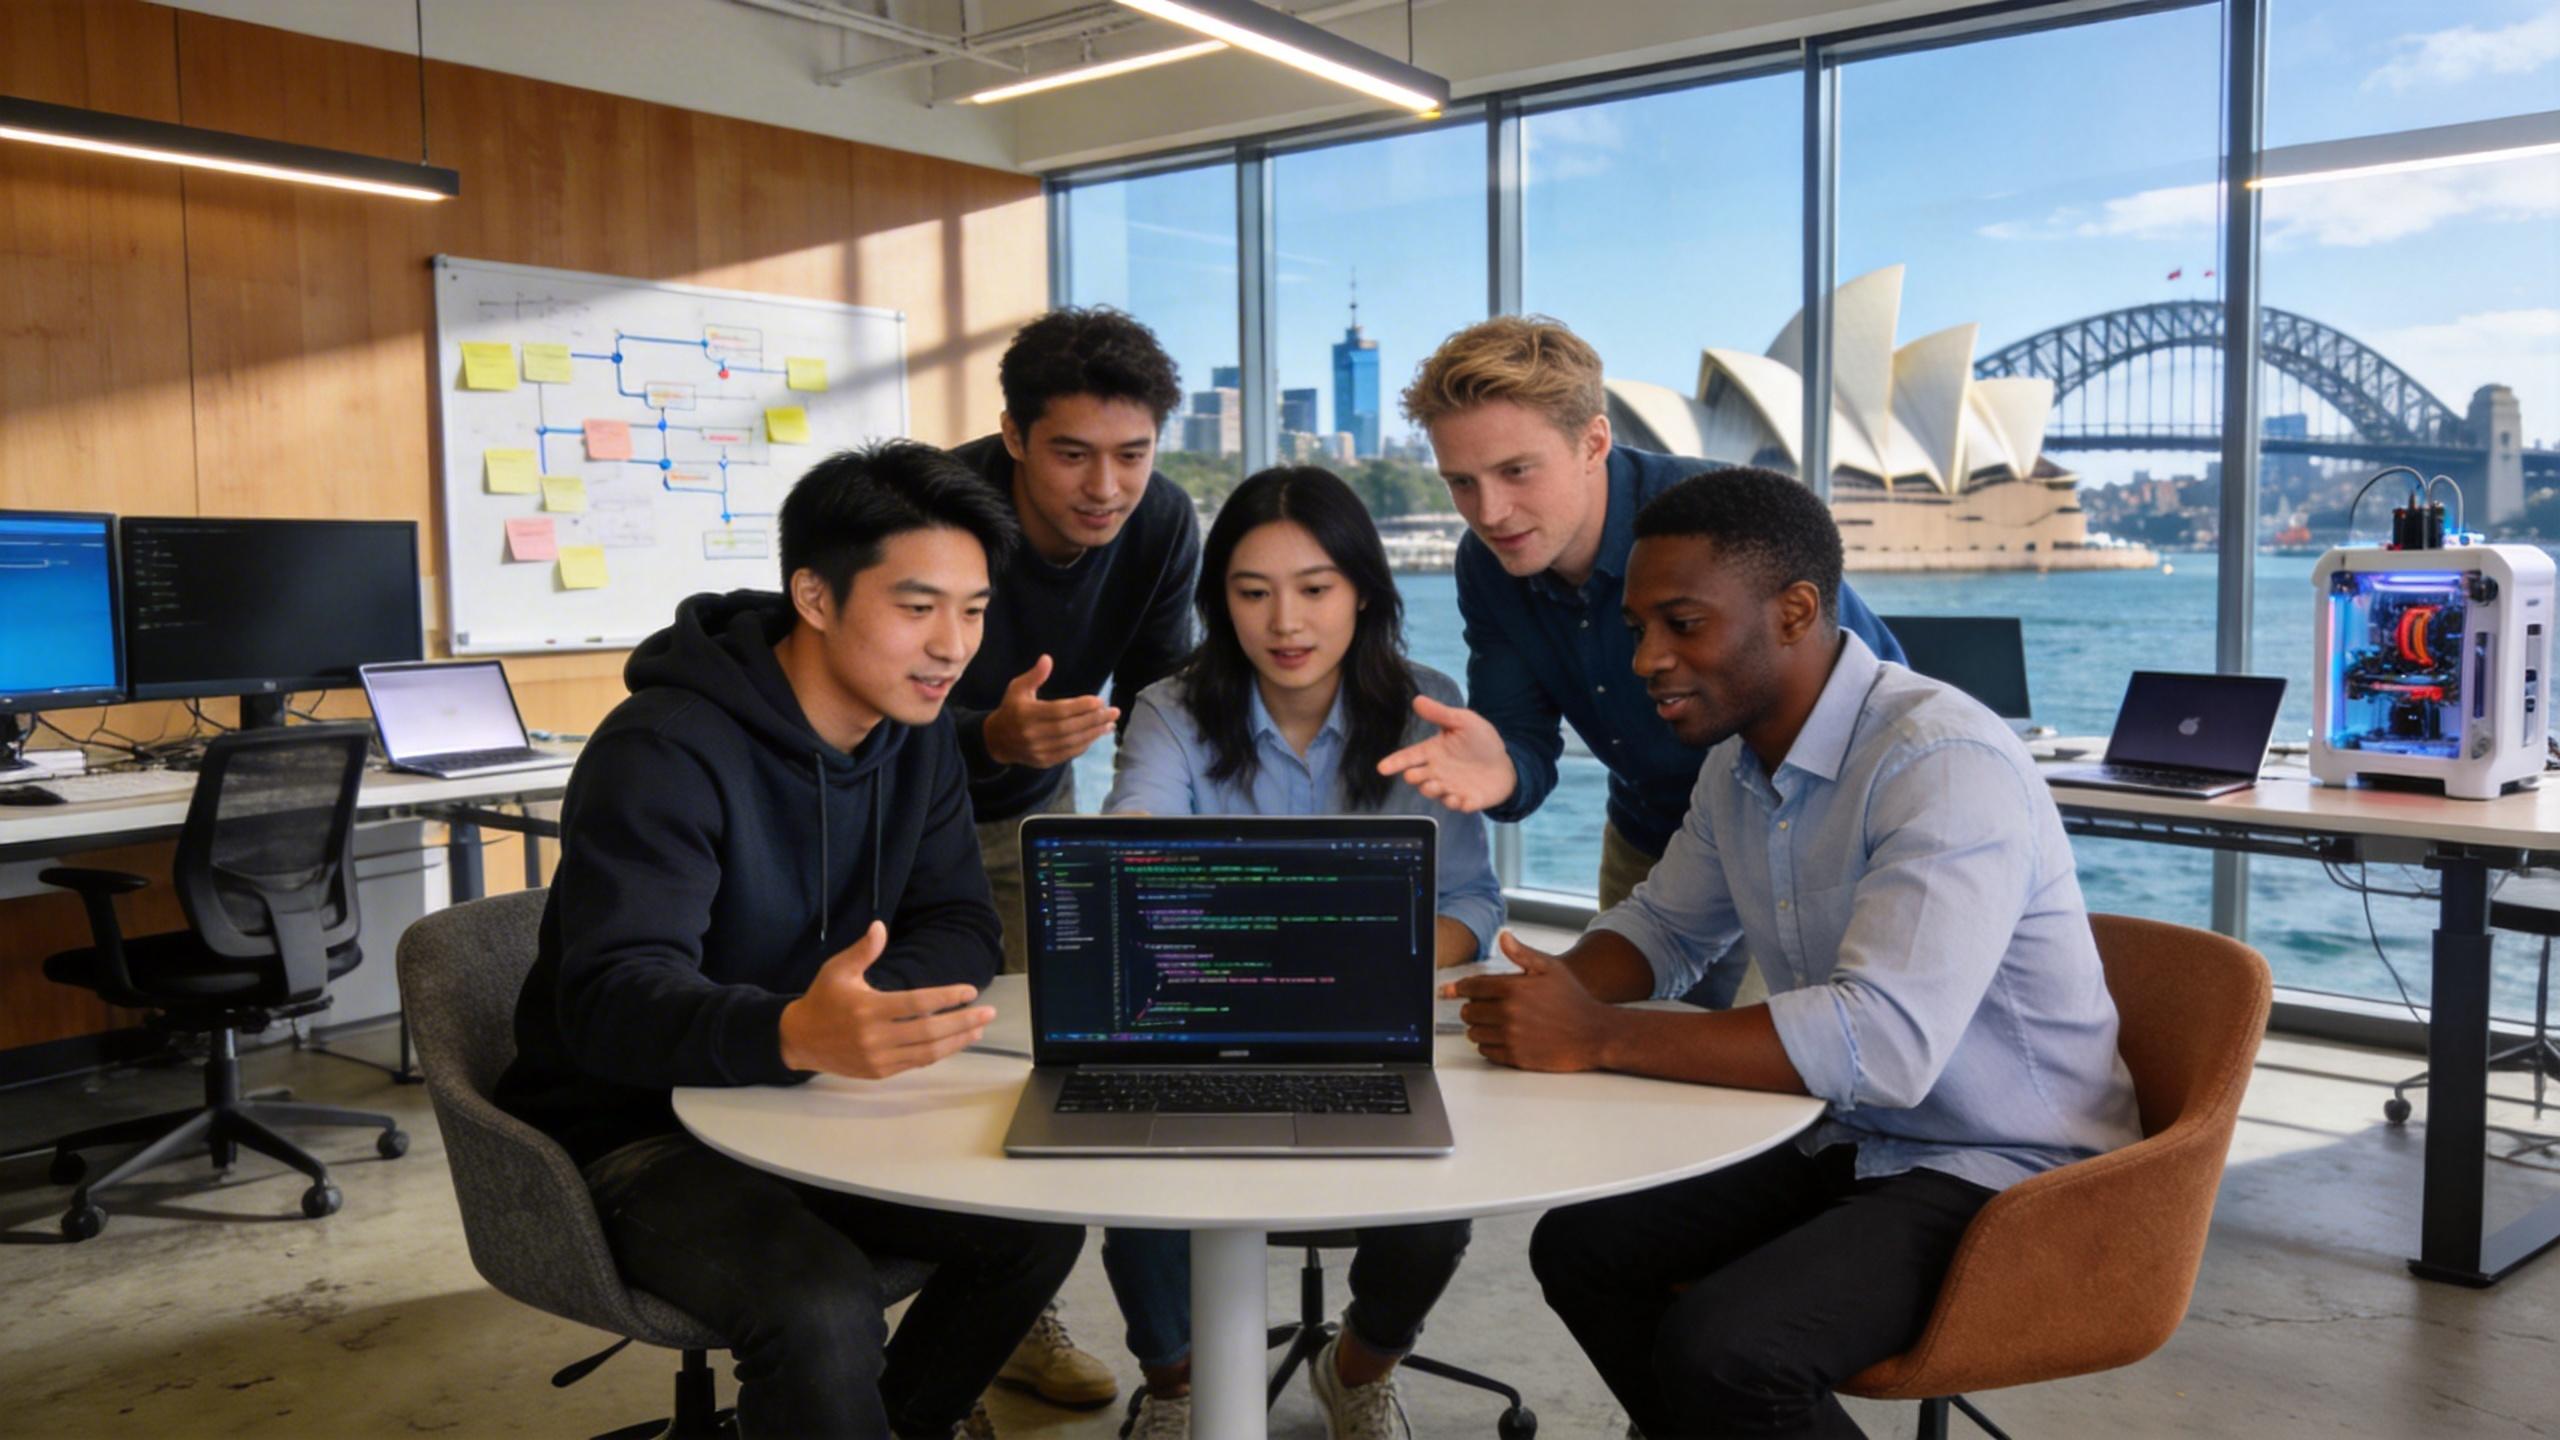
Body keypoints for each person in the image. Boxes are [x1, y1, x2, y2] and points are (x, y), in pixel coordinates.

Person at [1446, 469, 2142, 1440]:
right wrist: (1527, 992)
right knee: (1582, 1249)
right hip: (1852, 1136)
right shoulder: (1736, 764)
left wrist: (1595, 1037)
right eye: (1638, 627)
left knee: (1729, 1349)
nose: (1645, 659)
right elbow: (1665, 929)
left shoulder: (1941, 761)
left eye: (1682, 624)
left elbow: (1881, 1045)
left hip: (2011, 1170)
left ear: (1796, 612)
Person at [494, 442, 1085, 1440]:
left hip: (811, 1100)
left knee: (1034, 1227)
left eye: (974, 610)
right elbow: (608, 1002)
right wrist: (794, 1033)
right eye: (917, 607)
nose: (953, 647)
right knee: (818, 1306)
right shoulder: (663, 750)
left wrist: (850, 1022)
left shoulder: (917, 736)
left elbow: (961, 923)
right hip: (637, 1128)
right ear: (814, 596)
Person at [1100, 466, 1500, 1440]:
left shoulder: (1428, 705)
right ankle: (1177, 1386)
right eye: (1252, 592)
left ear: (1362, 591)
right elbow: (1134, 869)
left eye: (1315, 588)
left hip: (1369, 1025)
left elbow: (1467, 904)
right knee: (1129, 1177)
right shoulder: (1169, 710)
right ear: (1220, 602)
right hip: (1201, 1024)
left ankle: (1356, 1369)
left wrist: (1334, 965)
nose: (1286, 622)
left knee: (1442, 1199)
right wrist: (1331, 941)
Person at [1382, 317, 1905, 1004]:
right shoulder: (1486, 564)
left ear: (1593, 442)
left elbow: (1877, 691)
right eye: (1461, 482)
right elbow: (1522, 743)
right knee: (1613, 1044)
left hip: (1798, 838)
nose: (1491, 512)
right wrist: (1503, 769)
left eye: (1516, 471)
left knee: (1788, 1053)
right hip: (1646, 837)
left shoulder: (1724, 519)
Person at [942, 306, 1203, 1409]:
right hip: (890, 811)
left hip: (1036, 807)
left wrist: (1158, 833)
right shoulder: (935, 509)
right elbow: (853, 707)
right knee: (936, 1073)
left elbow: (1161, 691)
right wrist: (984, 738)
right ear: (1012, 435)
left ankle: (1009, 1304)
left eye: (1132, 454)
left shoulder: (1163, 521)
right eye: (1072, 455)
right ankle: (986, 1319)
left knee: (1041, 1058)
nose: (1107, 488)